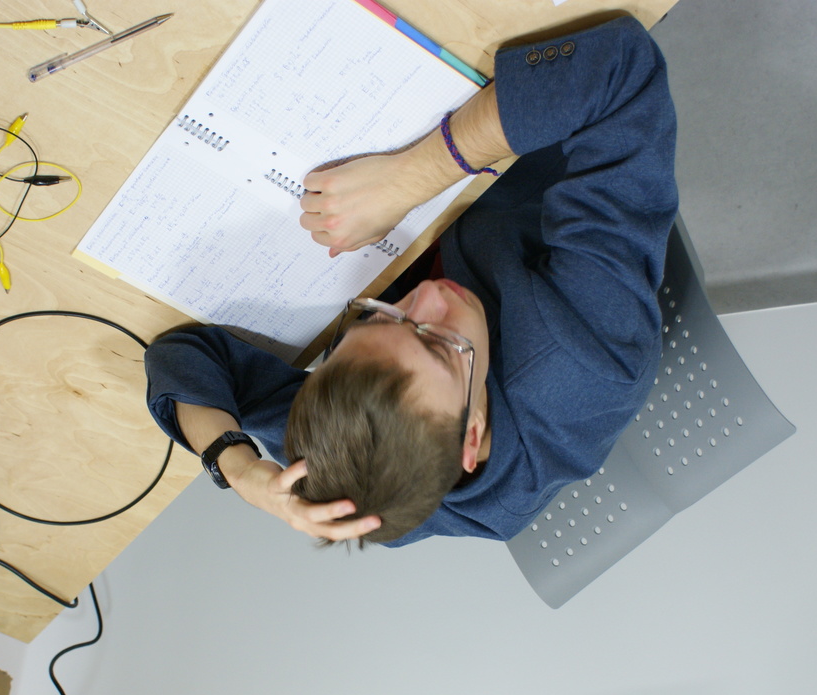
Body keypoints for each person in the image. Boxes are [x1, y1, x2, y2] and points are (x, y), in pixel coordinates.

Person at [144, 13, 677, 546]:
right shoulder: (585, 354)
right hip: (527, 146)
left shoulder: (365, 478)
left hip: (418, 208)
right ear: (471, 437)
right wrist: (411, 178)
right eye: (441, 345)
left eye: (379, 320)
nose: (427, 299)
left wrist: (238, 468)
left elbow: (187, 356)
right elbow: (619, 70)